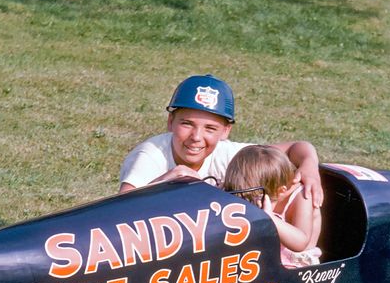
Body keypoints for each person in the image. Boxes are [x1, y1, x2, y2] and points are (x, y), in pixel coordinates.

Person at [119, 74, 323, 208]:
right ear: (171, 121)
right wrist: (164, 181)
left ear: (225, 131)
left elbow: (297, 148)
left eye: (210, 128)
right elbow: (119, 208)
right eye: (187, 124)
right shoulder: (151, 155)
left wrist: (309, 165)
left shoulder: (226, 152)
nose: (196, 137)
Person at [224, 145, 322, 268]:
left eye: (252, 199)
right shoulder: (254, 191)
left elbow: (301, 242)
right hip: (264, 256)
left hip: (296, 265)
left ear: (280, 191)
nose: (248, 204)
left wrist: (270, 217)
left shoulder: (302, 196)